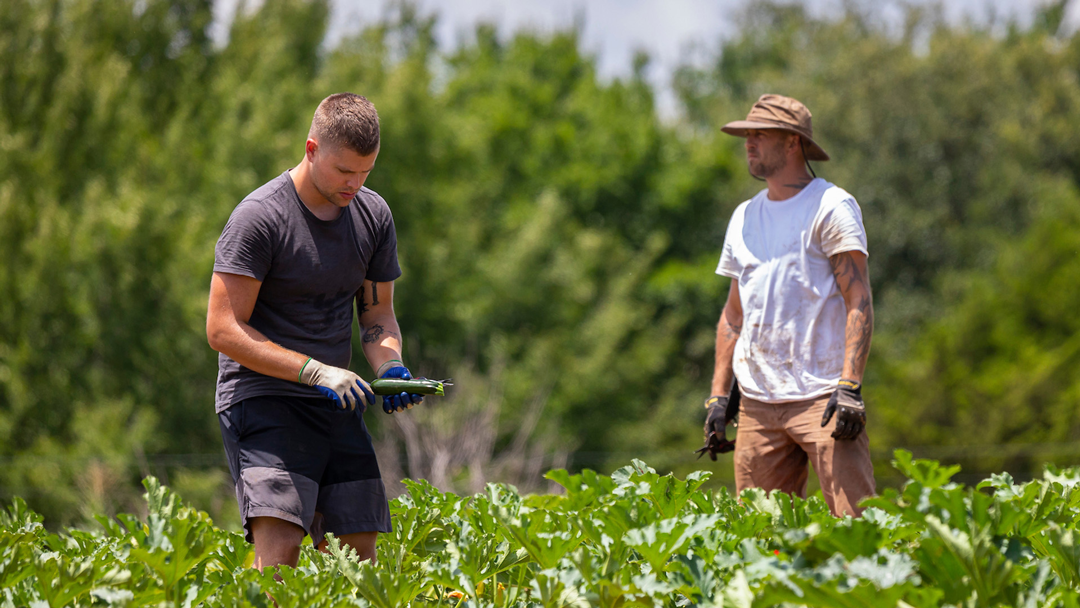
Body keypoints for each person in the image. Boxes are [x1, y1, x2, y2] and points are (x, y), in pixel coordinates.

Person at [206, 92, 424, 571]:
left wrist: (391, 365)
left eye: (366, 171)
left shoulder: (373, 215)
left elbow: (377, 314)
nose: (356, 183)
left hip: (336, 399)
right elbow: (222, 329)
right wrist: (313, 370)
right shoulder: (259, 218)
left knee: (358, 553)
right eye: (345, 171)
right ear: (311, 150)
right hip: (262, 398)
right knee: (282, 551)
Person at [701, 94, 876, 517]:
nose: (749, 142)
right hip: (758, 404)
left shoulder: (831, 207)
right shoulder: (744, 216)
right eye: (747, 134)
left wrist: (849, 385)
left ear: (793, 143)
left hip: (823, 399)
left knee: (858, 531)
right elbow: (733, 315)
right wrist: (718, 397)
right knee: (760, 540)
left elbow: (859, 297)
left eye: (761, 134)